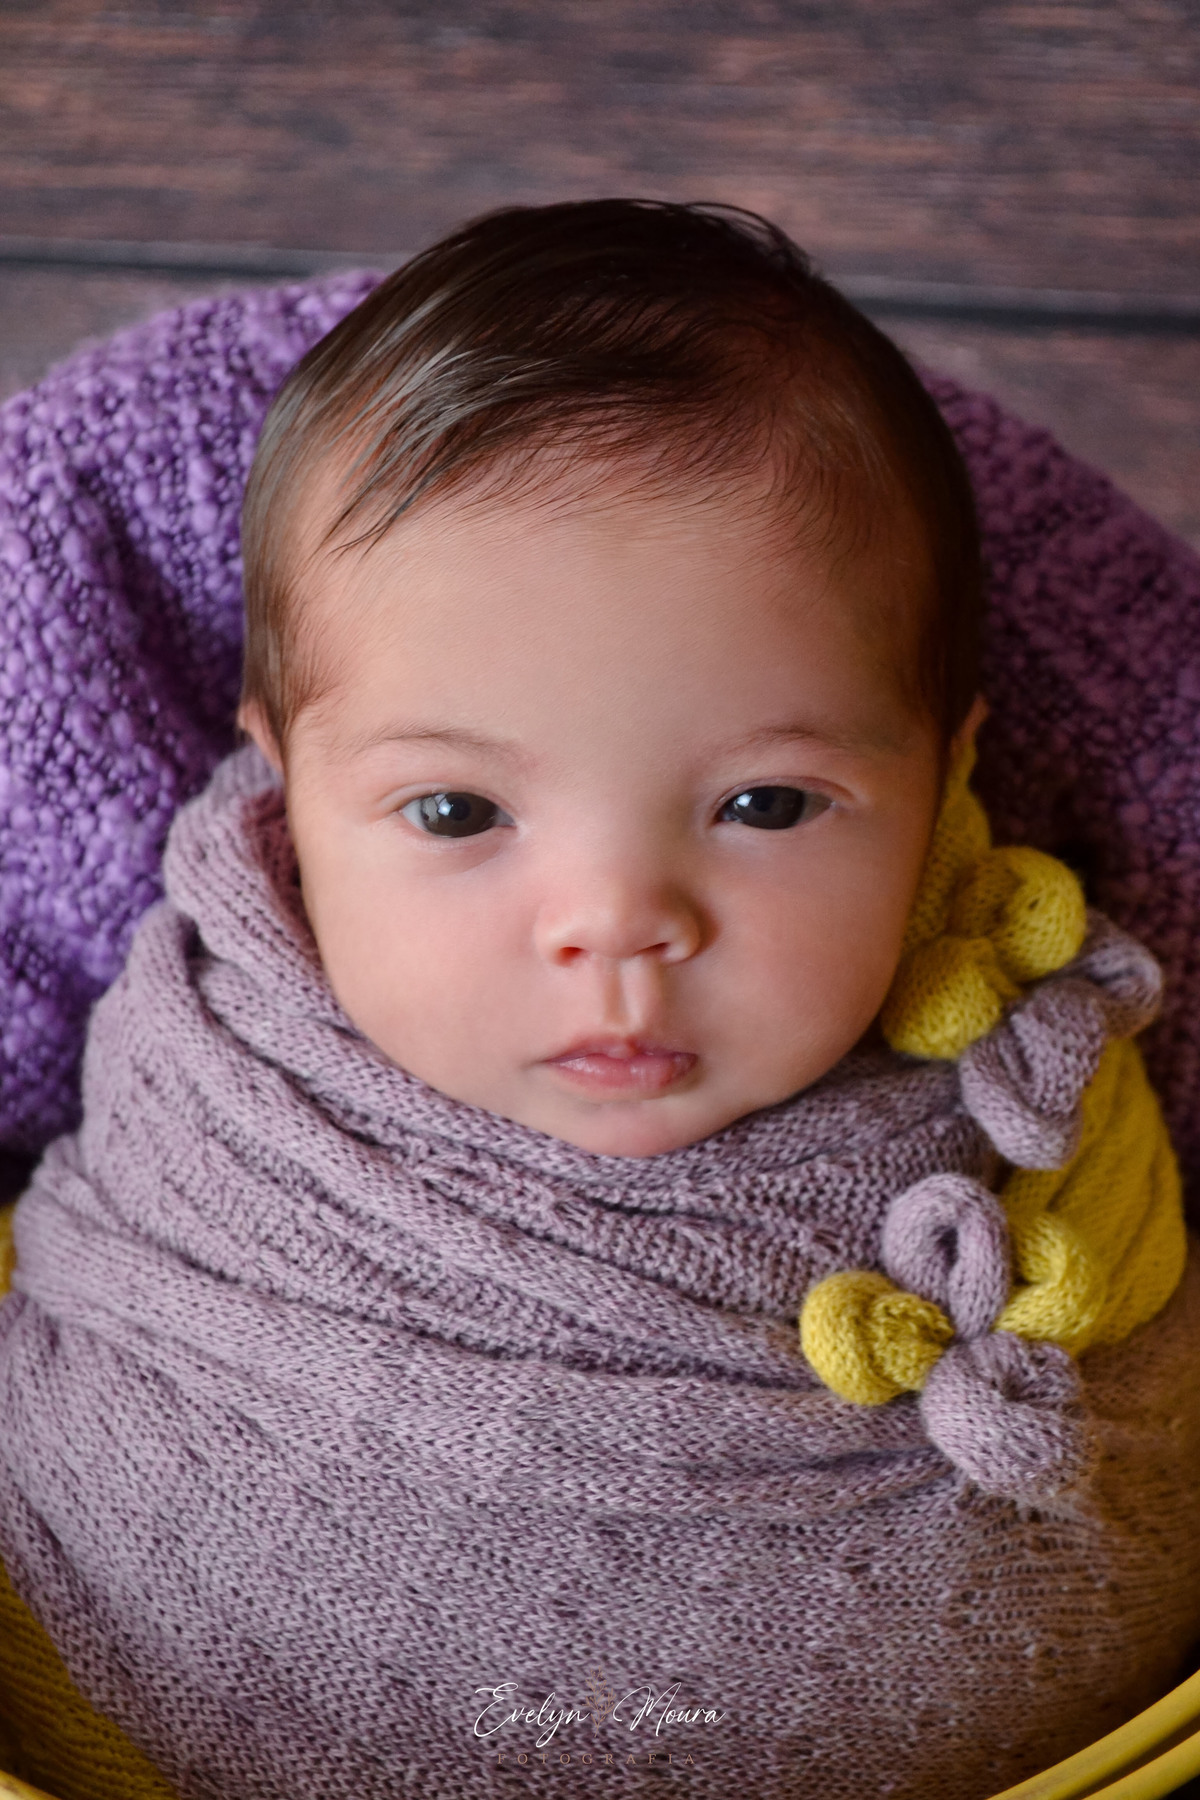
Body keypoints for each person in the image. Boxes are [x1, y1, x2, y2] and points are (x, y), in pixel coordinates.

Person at [0, 199, 1197, 1800]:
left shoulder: (1037, 1077)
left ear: (942, 774)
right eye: (455, 812)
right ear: (287, 791)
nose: (619, 924)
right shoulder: (203, 1077)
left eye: (767, 804)